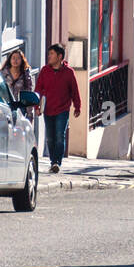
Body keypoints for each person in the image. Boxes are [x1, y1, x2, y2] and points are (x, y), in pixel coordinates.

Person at [35, 43, 80, 174]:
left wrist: (77, 106)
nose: (49, 56)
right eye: (49, 54)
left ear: (60, 56)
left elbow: (74, 91)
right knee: (50, 137)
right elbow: (38, 89)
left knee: (60, 136)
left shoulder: (69, 72)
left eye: (52, 54)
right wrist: (36, 106)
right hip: (48, 109)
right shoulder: (45, 70)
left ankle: (57, 162)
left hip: (63, 109)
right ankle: (52, 161)